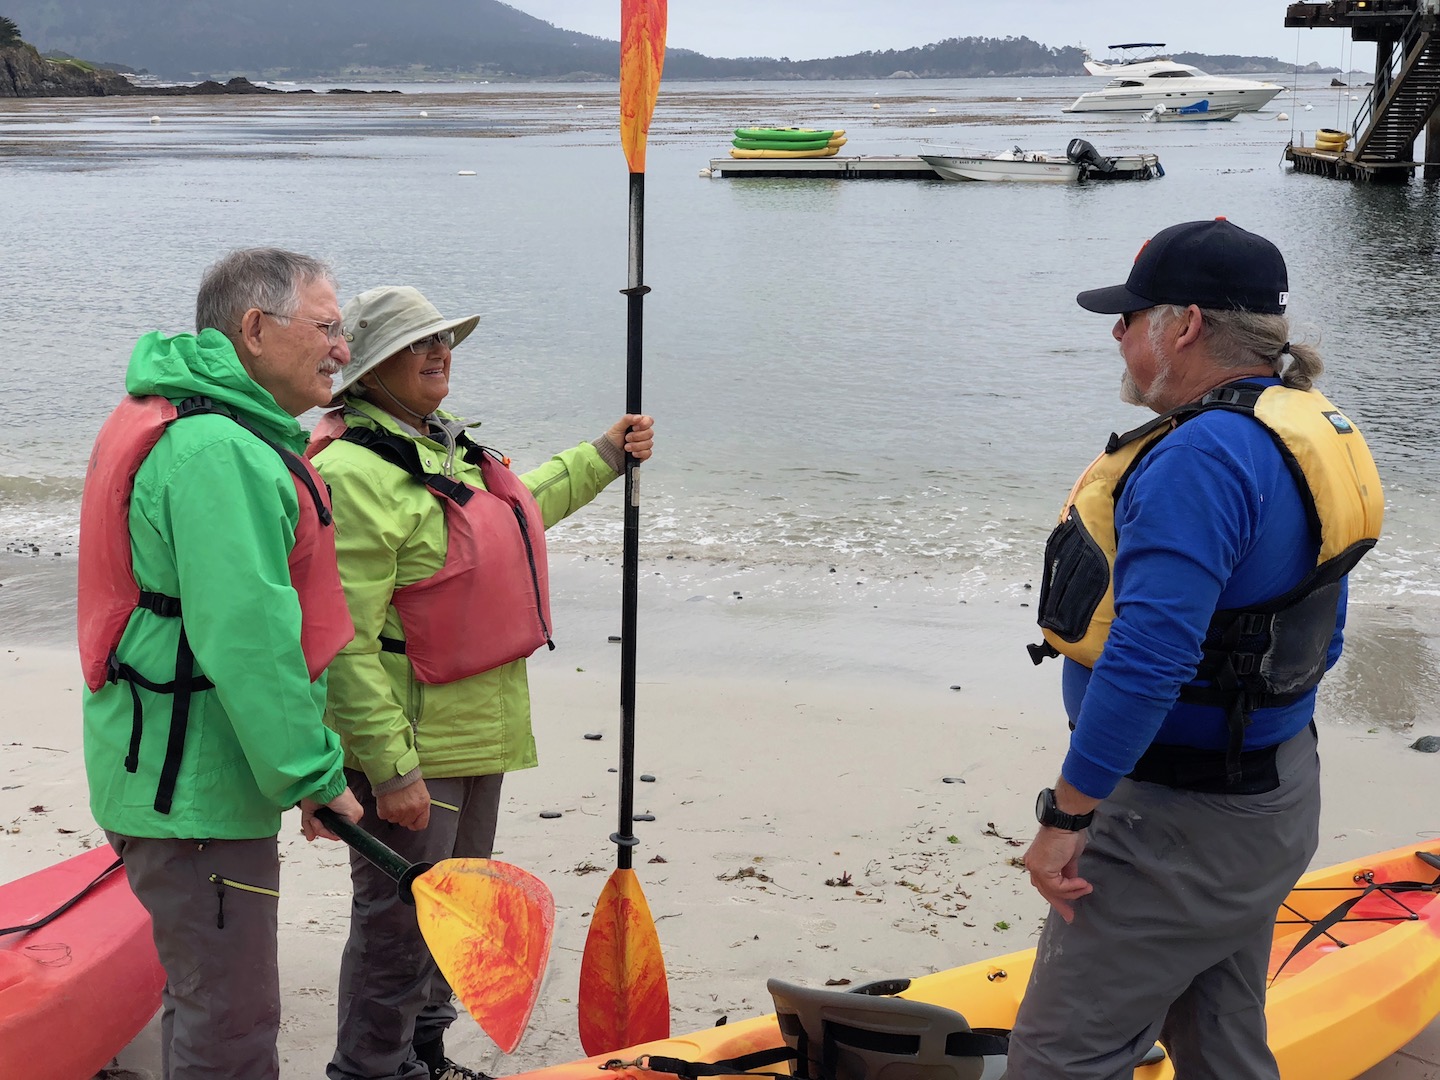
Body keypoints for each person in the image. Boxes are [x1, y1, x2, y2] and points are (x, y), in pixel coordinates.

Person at [1011, 218, 1385, 1078]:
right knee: (1219, 1036)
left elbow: (1150, 659)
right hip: (1274, 795)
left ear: (1182, 326)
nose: (1116, 332)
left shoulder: (1201, 460)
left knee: (1058, 1058)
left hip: (1179, 823)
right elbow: (1315, 631)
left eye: (1131, 314)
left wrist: (1068, 814)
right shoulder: (1299, 427)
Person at [308, 285, 655, 1080]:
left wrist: (602, 457)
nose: (439, 354)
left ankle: (424, 1056)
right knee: (398, 926)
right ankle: (369, 1072)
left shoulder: (442, 448)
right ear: (366, 369)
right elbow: (344, 645)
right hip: (412, 749)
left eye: (443, 339)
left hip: (476, 733)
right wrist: (391, 769)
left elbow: (513, 516)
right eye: (414, 344)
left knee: (458, 920)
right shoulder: (353, 473)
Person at [78, 247, 366, 1079]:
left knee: (202, 998)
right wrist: (315, 777)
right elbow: (251, 641)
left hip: (172, 782)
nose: (343, 349)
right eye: (327, 326)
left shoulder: (196, 423)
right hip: (191, 797)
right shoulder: (218, 452)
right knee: (232, 1023)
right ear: (254, 329)